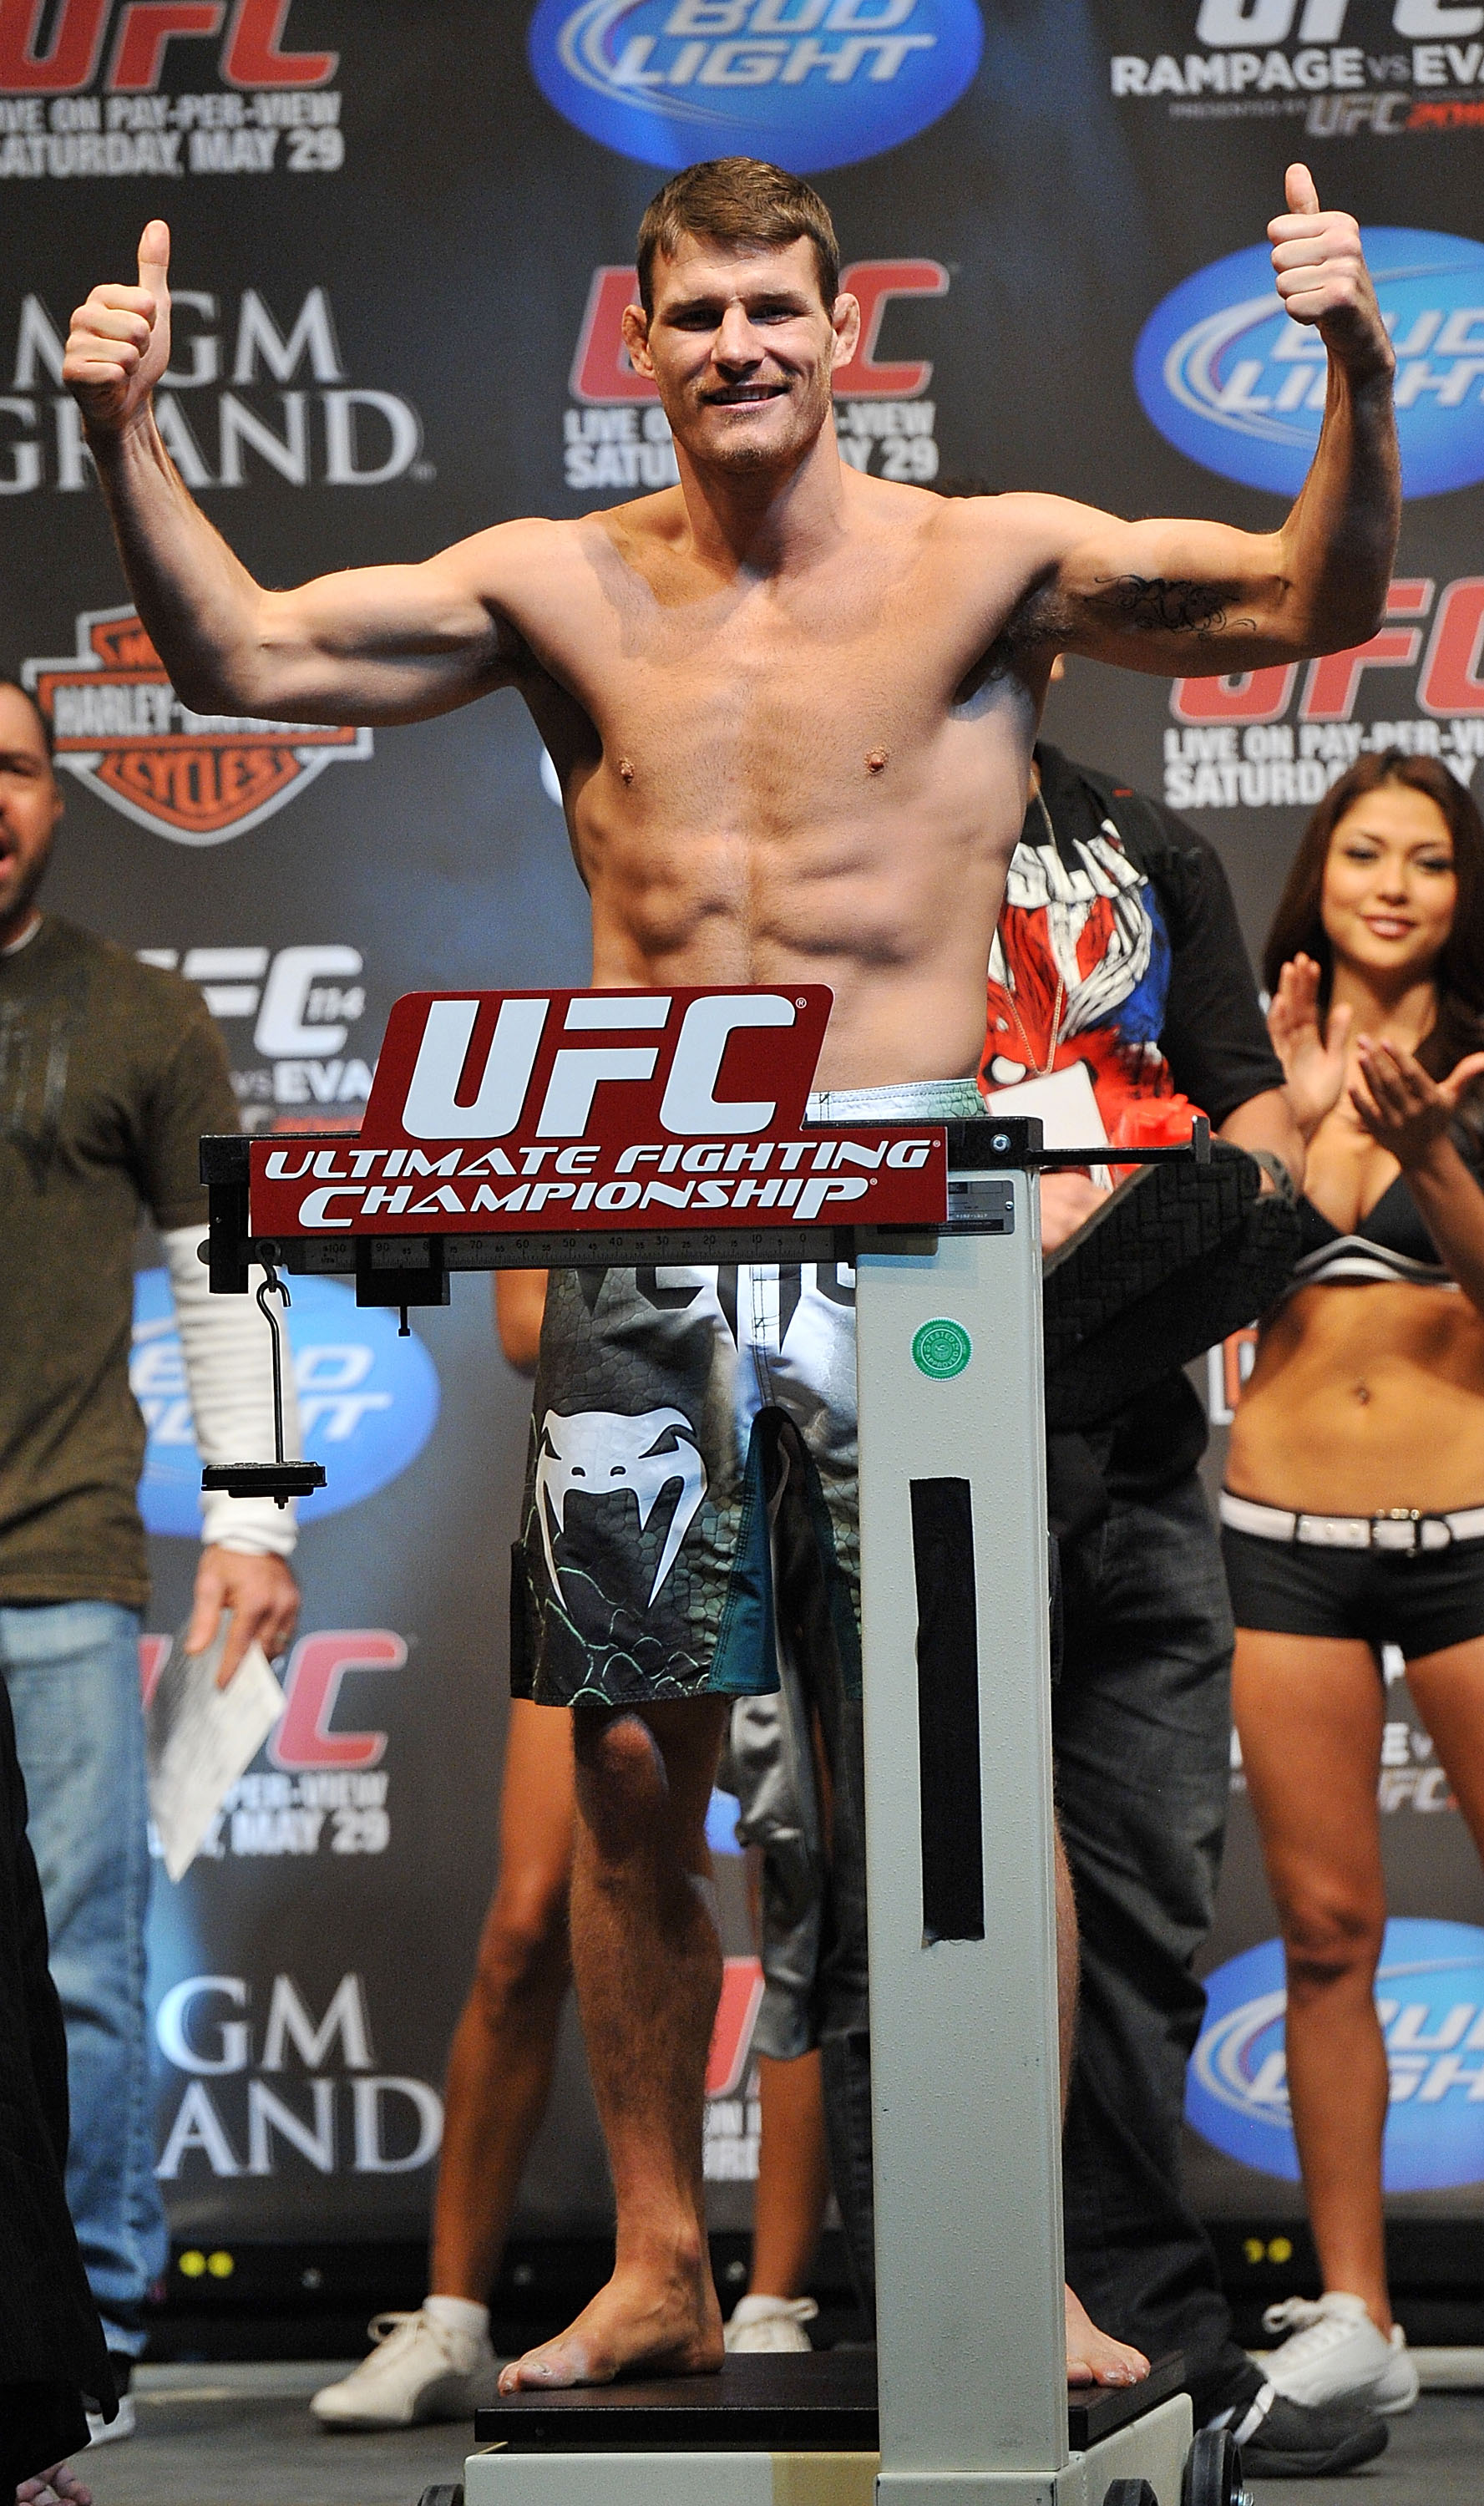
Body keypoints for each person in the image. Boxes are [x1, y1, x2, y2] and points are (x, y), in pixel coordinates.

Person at [63, 150, 1398, 2392]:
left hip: (916, 1236)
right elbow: (249, 652)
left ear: (842, 325)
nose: (743, 348)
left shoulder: (989, 564)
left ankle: (1034, 2260)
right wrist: (128, 437)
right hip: (648, 1237)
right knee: (620, 1765)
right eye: (699, 319)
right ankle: (663, 2257)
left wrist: (1355, 367)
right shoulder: (555, 586)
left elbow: (1301, 599)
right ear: (643, 341)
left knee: (959, 1768)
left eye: (780, 308)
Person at [985, 733, 1387, 2478]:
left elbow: (1236, 1106)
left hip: (1136, 1429)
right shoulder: (831, 834)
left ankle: (1150, 2337)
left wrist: (1255, 1154)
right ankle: (956, 2312)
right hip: (914, 1411)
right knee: (944, 1907)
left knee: (1143, 1909)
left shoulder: (1148, 844)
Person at [311, 1269, 828, 2428]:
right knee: (534, 1911)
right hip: (638, 1456)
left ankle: (773, 2300)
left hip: (818, 1426)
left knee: (807, 1901)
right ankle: (450, 2314)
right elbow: (515, 1317)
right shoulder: (612, 1082)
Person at [0, 678, 301, 2440]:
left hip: (55, 1563)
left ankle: (87, 2334)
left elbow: (228, 1261)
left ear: (56, 797)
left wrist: (251, 1517)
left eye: (18, 768)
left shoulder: (136, 1011)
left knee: (83, 1968)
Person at [1223, 751, 1484, 2416]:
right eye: (1364, 853)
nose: (1392, 883)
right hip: (1282, 1545)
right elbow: (1210, 1296)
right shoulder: (1265, 1052)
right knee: (1322, 1934)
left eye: (1430, 859)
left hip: (1469, 1535)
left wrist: (1437, 1152)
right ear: (1319, 874)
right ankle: (1356, 2314)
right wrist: (1292, 1125)